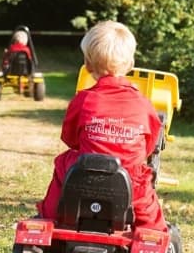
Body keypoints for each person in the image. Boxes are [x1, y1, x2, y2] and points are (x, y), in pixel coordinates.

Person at [36, 20, 167, 232]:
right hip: (130, 180)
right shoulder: (144, 104)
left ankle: (50, 218)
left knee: (64, 163)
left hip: (85, 174)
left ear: (87, 65)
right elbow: (149, 146)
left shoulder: (83, 99)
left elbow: (70, 138)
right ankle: (153, 236)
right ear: (130, 63)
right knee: (149, 211)